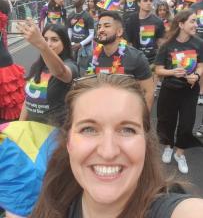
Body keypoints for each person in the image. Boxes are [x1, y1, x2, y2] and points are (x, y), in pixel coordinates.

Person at [30, 73, 203, 218]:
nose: (108, 152)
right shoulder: (54, 198)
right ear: (68, 142)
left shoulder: (174, 211)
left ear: (145, 142)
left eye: (127, 130)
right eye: (89, 129)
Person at [155, 9, 203, 174]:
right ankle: (168, 146)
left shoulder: (198, 43)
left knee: (187, 125)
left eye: (196, 21)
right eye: (192, 21)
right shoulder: (167, 45)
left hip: (189, 91)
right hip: (170, 90)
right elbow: (159, 70)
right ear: (181, 24)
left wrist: (196, 75)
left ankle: (180, 153)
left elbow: (201, 64)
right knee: (167, 121)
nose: (195, 25)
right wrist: (172, 72)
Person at [79, 11, 154, 110]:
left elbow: (148, 91)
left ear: (119, 32)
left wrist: (143, 121)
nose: (101, 30)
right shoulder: (92, 58)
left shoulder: (136, 58)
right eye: (99, 27)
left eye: (106, 26)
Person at [18, 23, 78, 127]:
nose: (49, 44)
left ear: (64, 43)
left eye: (54, 40)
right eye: (45, 39)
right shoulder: (37, 66)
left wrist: (42, 45)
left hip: (56, 134)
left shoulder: (70, 66)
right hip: (32, 130)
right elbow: (28, 99)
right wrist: (19, 126)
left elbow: (60, 72)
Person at [0, 0, 25, 123]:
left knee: (7, 103)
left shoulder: (1, 19)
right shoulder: (3, 23)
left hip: (3, 65)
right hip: (5, 62)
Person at [126, 0, 165, 65]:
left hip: (153, 60)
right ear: (138, 3)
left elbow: (160, 43)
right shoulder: (131, 20)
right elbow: (129, 43)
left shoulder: (158, 21)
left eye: (151, 0)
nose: (148, 3)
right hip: (136, 59)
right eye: (145, 0)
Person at [67, 0, 94, 72]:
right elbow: (69, 30)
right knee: (74, 68)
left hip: (85, 49)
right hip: (73, 47)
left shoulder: (88, 16)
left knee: (86, 70)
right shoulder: (70, 15)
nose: (73, 0)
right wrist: (70, 42)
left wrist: (81, 44)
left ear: (82, 1)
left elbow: (92, 34)